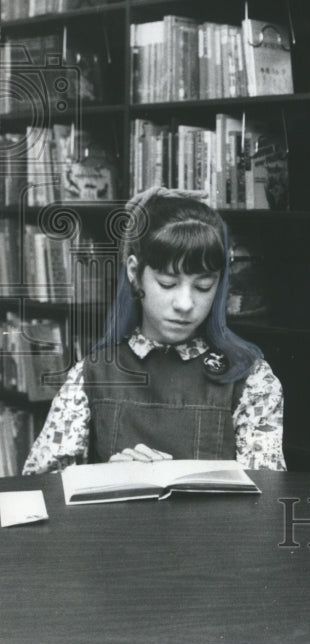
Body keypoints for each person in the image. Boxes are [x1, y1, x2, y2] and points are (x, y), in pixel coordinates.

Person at [23, 188, 285, 473]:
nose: (185, 304)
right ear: (134, 274)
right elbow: (42, 483)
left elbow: (267, 491)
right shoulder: (89, 376)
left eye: (203, 287)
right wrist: (105, 475)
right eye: (167, 283)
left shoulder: (251, 379)